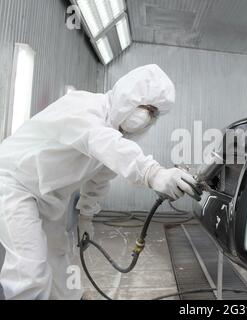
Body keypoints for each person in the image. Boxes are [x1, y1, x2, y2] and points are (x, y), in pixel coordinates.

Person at [0, 64, 198, 300]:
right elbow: (100, 141)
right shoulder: (85, 107)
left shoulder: (115, 134)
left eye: (154, 113)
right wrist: (153, 173)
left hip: (49, 198)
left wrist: (86, 216)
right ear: (127, 95)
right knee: (29, 269)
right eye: (145, 107)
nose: (147, 116)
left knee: (57, 254)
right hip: (14, 184)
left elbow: (99, 180)